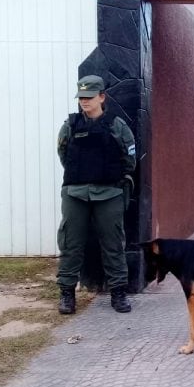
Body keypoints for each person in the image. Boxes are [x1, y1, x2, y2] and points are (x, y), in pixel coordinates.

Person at [56, 75, 136, 314]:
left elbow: (129, 159)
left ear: (102, 97)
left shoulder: (117, 125)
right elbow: (64, 156)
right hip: (75, 192)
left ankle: (118, 292)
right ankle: (67, 293)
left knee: (113, 243)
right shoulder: (70, 126)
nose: (84, 102)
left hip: (109, 192)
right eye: (81, 97)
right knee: (71, 243)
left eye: (89, 97)